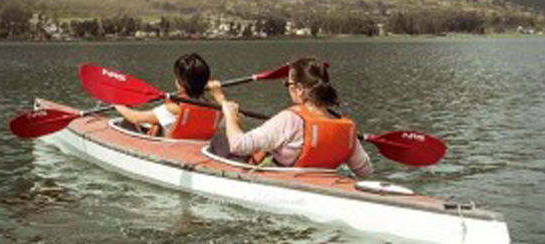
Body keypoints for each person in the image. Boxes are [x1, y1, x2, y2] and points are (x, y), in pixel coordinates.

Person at [214, 57, 372, 177]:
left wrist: (229, 115)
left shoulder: (290, 119)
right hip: (322, 184)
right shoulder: (347, 127)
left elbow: (238, 145)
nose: (287, 89)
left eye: (288, 85)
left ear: (299, 89)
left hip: (286, 184)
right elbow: (365, 171)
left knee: (219, 141)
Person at [113, 53, 224, 140]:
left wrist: (117, 103)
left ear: (180, 84)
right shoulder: (214, 108)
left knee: (126, 122)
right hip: (193, 146)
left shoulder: (173, 109)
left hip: (171, 150)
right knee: (156, 124)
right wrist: (219, 96)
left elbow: (135, 117)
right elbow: (235, 117)